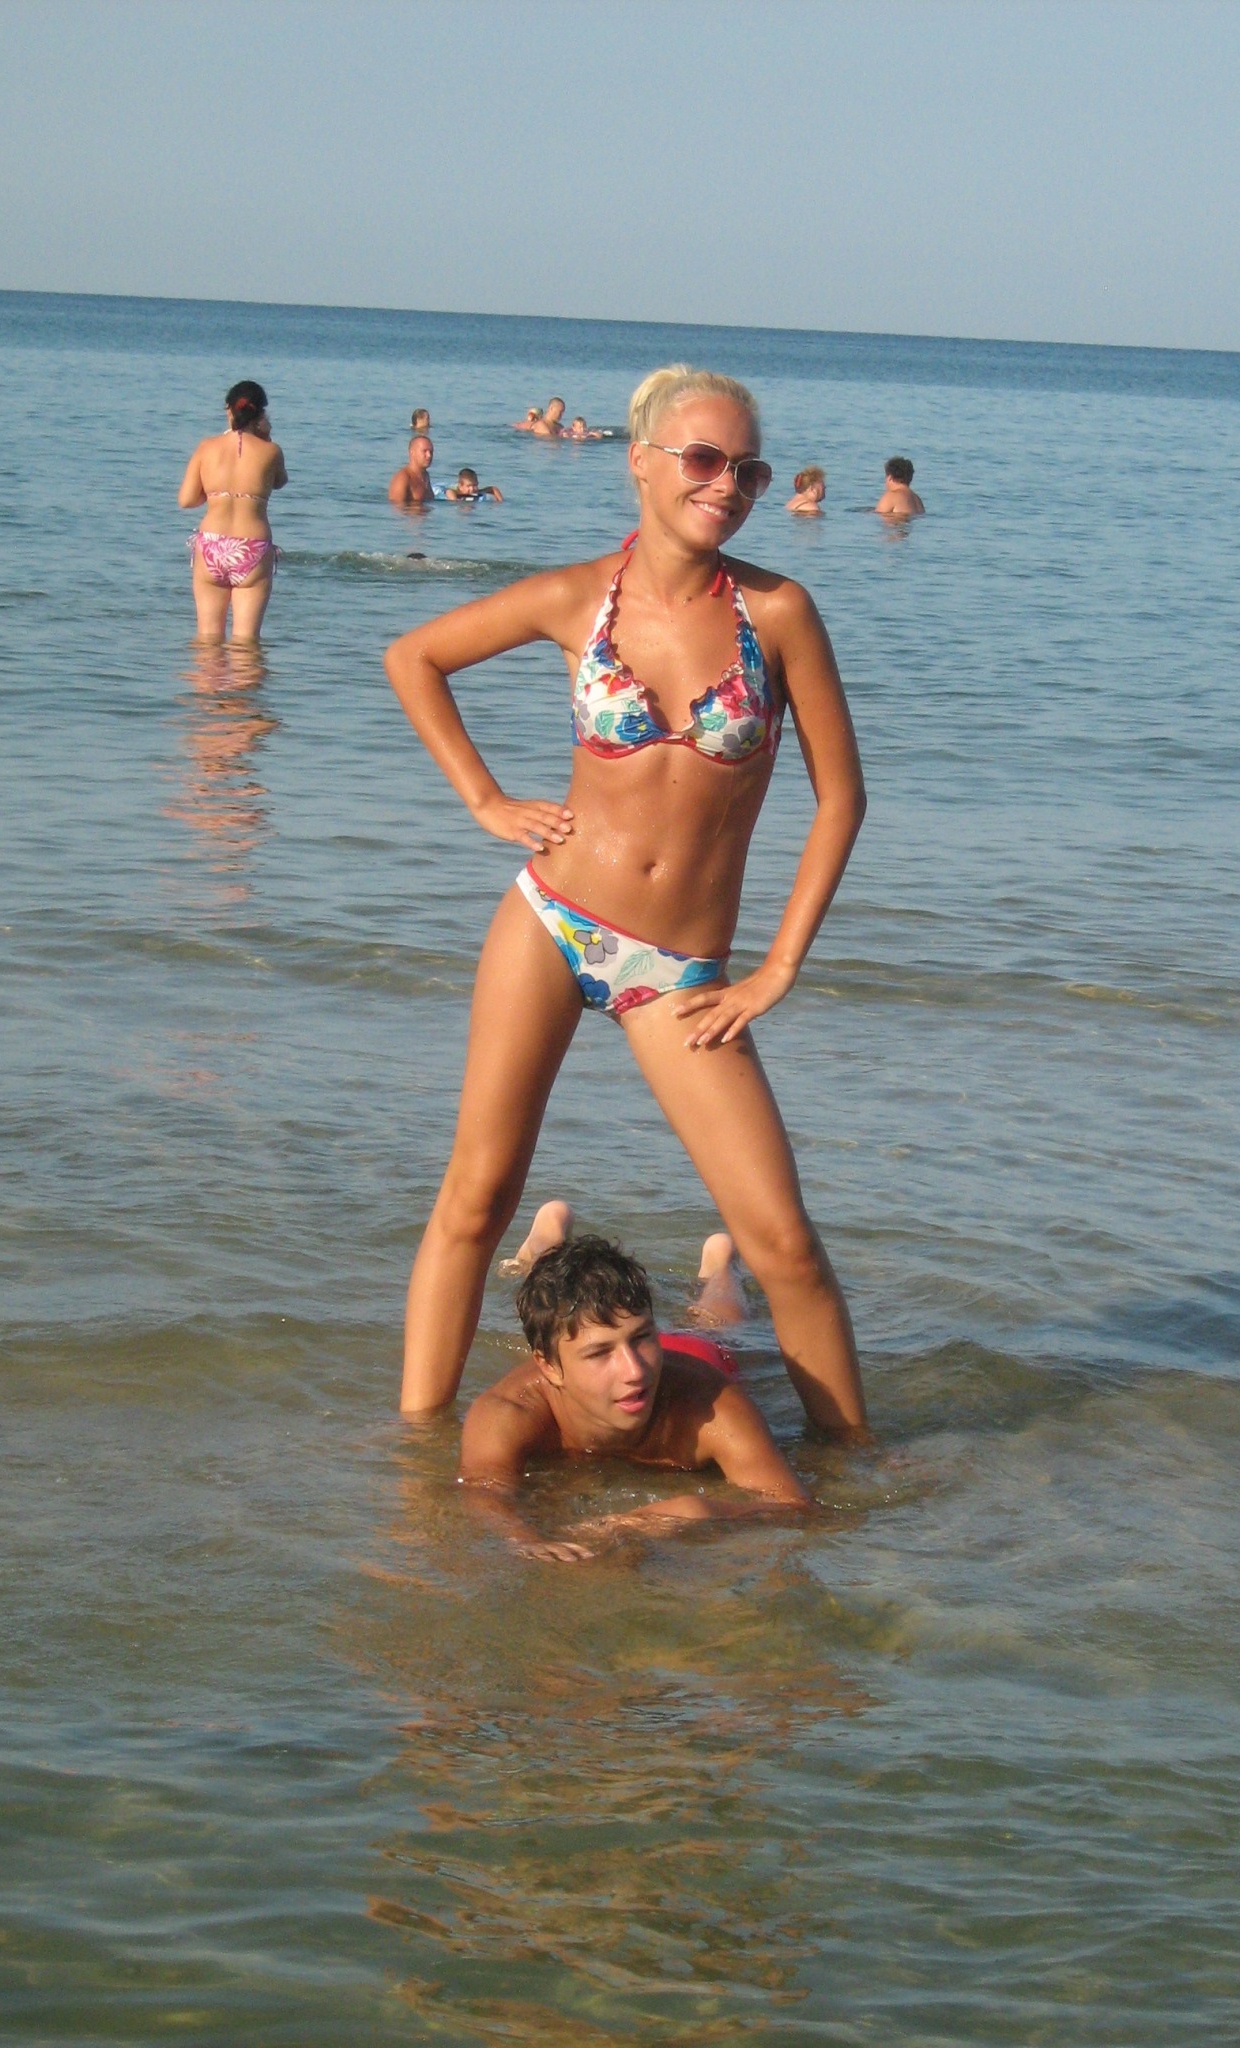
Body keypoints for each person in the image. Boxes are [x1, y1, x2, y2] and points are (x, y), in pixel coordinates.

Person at [383, 363, 868, 1435]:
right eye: (704, 459)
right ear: (642, 462)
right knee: (476, 1196)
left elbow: (842, 799)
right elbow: (414, 657)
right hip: (553, 921)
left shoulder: (779, 613)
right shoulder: (575, 597)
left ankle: (855, 1473)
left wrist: (779, 968)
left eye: (749, 470)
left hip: (681, 972)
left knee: (785, 1244)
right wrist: (487, 799)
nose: (727, 484)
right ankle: (417, 1456)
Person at [460, 1222, 811, 1562]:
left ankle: (722, 1263)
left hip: (697, 1353)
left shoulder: (709, 1405)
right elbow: (484, 1500)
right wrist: (523, 1539)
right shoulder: (508, 1411)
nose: (635, 1372)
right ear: (549, 1367)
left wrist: (686, 1511)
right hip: (594, 1349)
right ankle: (544, 1239)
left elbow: (796, 1508)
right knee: (557, 1315)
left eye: (644, 1336)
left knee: (715, 1324)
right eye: (599, 1354)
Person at [178, 380, 287, 642]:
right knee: (246, 643)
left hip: (212, 545)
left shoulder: (206, 447)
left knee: (208, 639)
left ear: (229, 410)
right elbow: (280, 481)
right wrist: (266, 437)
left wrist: (215, 494)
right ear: (261, 414)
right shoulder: (271, 451)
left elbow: (186, 500)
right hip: (252, 547)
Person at [389, 434, 437, 507]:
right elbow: (396, 510)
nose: (429, 455)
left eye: (431, 452)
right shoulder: (402, 478)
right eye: (424, 451)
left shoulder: (425, 475)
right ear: (412, 452)